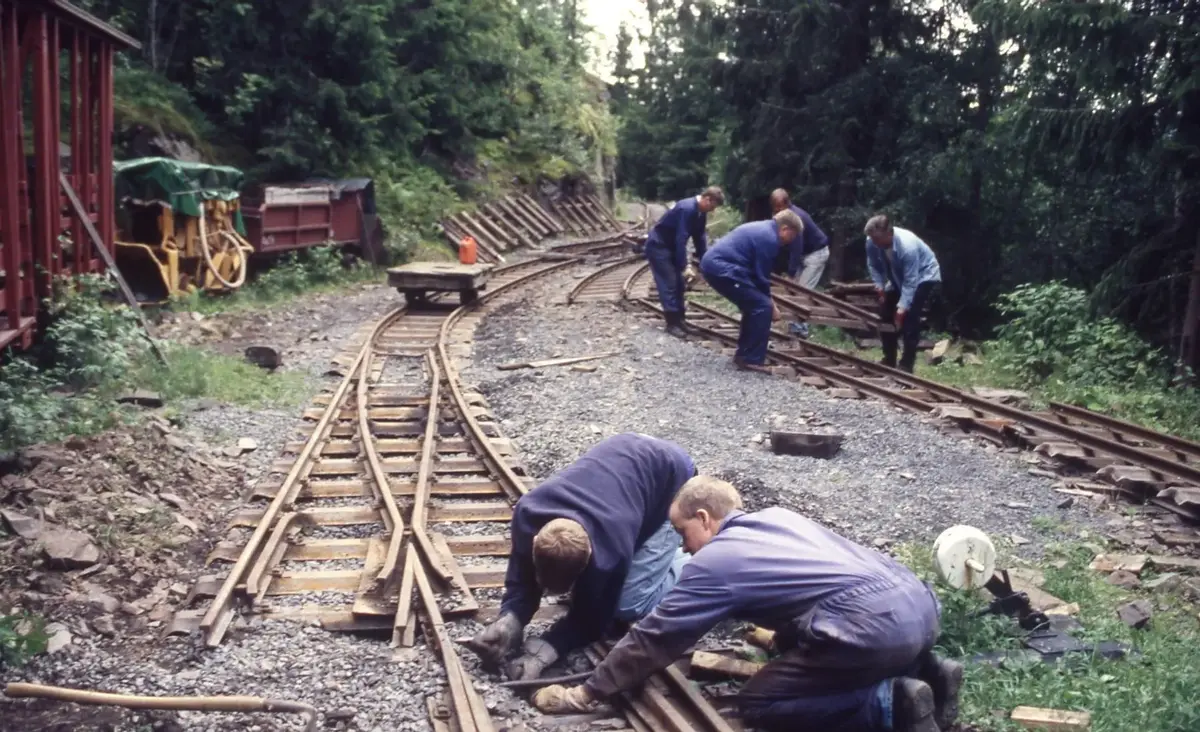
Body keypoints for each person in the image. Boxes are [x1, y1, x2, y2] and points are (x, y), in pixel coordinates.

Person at [530, 476, 963, 732]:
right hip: (921, 609)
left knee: (759, 703)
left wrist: (586, 693)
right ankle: (928, 670)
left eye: (684, 535)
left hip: (874, 630)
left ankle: (889, 701)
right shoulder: (778, 518)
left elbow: (655, 637)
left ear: (704, 518)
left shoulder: (716, 561)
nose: (686, 550)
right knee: (846, 646)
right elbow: (818, 589)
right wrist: (783, 639)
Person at [464, 433, 696, 681]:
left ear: (590, 560)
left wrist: (547, 650)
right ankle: (658, 561)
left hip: (674, 483)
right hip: (628, 464)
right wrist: (510, 620)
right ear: (535, 543)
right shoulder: (528, 512)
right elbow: (522, 575)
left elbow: (596, 620)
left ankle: (694, 559)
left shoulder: (611, 550)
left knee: (628, 605)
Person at [699, 209, 803, 373]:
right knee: (762, 307)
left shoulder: (764, 229)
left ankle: (743, 355)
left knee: (753, 305)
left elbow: (757, 277)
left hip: (717, 266)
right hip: (722, 269)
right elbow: (761, 277)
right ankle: (751, 359)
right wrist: (772, 305)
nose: (792, 241)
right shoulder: (770, 239)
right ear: (785, 229)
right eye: (793, 236)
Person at [863, 215, 942, 373]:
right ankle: (889, 358)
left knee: (910, 318)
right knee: (885, 314)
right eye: (872, 239)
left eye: (878, 239)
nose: (875, 243)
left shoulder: (908, 246)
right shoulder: (871, 242)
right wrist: (879, 286)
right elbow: (873, 264)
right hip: (897, 277)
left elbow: (911, 281)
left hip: (923, 276)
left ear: (889, 233)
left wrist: (901, 309)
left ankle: (906, 364)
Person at [643, 187, 725, 338]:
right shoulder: (687, 209)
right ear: (707, 200)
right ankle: (671, 323)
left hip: (671, 246)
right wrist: (685, 265)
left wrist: (704, 262)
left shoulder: (700, 213)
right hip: (659, 246)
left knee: (680, 284)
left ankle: (680, 320)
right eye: (712, 206)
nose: (712, 210)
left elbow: (699, 238)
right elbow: (681, 238)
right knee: (670, 283)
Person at [769, 189, 830, 339]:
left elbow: (796, 248)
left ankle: (801, 329)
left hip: (816, 254)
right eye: (774, 207)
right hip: (805, 255)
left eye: (778, 207)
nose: (776, 210)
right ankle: (795, 326)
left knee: (803, 292)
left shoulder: (795, 218)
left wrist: (790, 274)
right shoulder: (783, 217)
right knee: (794, 291)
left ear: (786, 203)